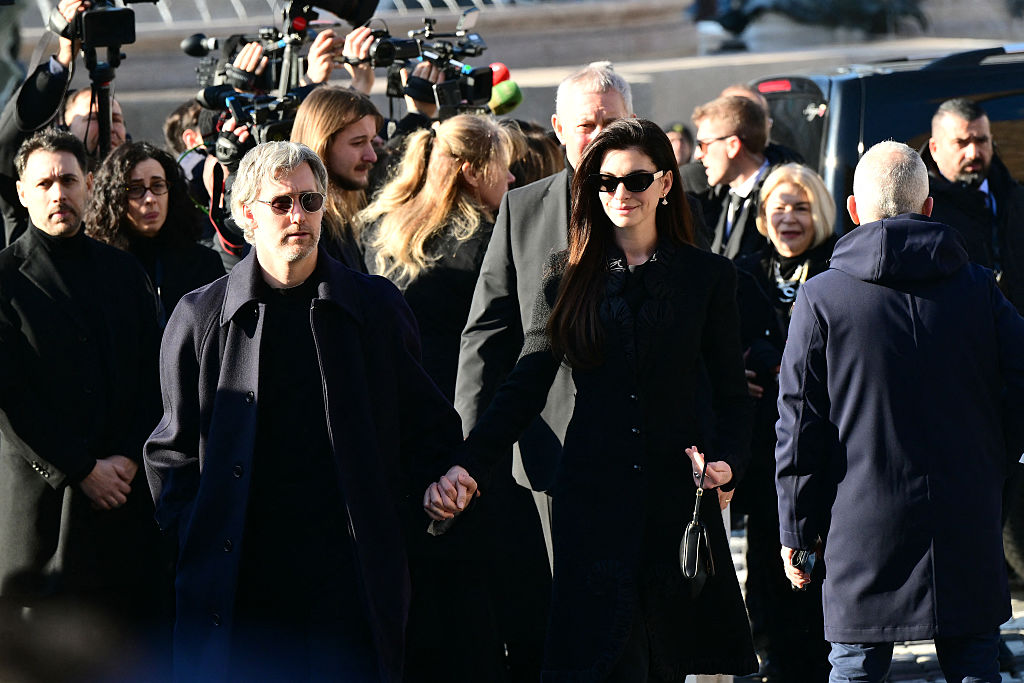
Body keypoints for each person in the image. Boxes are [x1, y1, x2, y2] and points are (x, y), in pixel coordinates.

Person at [428, 118, 758, 680]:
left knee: (665, 659)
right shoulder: (567, 275)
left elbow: (732, 393)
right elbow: (527, 378)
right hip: (589, 497)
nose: (620, 194)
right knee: (599, 659)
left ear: (665, 184)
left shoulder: (708, 278)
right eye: (605, 183)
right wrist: (469, 462)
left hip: (671, 500)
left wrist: (727, 463)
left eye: (635, 180)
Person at [143, 141, 464, 682]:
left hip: (349, 578)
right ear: (247, 214)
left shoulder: (374, 305)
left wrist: (443, 478)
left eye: (311, 201)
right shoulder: (201, 316)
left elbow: (427, 423)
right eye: (281, 203)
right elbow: (171, 452)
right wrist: (195, 535)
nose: (299, 215)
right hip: (241, 579)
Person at [776, 140, 1024, 682]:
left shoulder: (822, 299)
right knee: (975, 663)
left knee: (856, 668)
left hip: (859, 520)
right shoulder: (979, 288)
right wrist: (995, 461)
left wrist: (795, 529)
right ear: (930, 207)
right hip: (964, 507)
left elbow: (798, 424)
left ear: (853, 210)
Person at [453, 61, 635, 679]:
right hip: (543, 461)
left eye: (611, 122)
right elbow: (487, 333)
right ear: (558, 129)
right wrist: (469, 452)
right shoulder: (523, 209)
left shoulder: (661, 204)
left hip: (639, 461)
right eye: (587, 124)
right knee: (551, 631)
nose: (599, 134)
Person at [0, 129, 164, 678]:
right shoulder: (3, 281)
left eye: (68, 179)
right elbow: (9, 402)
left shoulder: (124, 273)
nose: (58, 193)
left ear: (90, 185)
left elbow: (153, 380)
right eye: (44, 182)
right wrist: (81, 469)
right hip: (42, 526)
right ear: (22, 192)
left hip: (124, 517)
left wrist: (126, 462)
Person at [733, 163, 836, 682]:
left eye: (801, 207)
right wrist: (736, 371)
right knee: (765, 554)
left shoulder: (839, 264)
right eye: (779, 207)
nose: (790, 218)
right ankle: (769, 650)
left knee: (822, 553)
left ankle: (823, 653)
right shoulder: (745, 270)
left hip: (825, 436)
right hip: (763, 444)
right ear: (763, 215)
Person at [0, 0, 129, 246]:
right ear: (64, 128)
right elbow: (8, 142)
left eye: (117, 119)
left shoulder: (139, 178)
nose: (108, 126)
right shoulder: (40, 186)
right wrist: (63, 59)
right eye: (92, 118)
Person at [85, 141, 225, 321]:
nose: (150, 198)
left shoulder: (203, 264)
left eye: (158, 185)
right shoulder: (101, 271)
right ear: (115, 199)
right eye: (135, 189)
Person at [923, 97, 1024, 312]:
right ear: (935, 148)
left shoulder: (1014, 197)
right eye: (962, 143)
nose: (973, 153)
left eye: (981, 141)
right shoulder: (923, 213)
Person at [289, 86, 382, 271]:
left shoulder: (337, 218)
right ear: (322, 145)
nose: (372, 156)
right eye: (358, 143)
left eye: (371, 141)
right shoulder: (303, 231)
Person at [691, 95, 774, 259]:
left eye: (704, 144)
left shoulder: (780, 199)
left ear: (733, 145)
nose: (698, 155)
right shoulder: (716, 198)